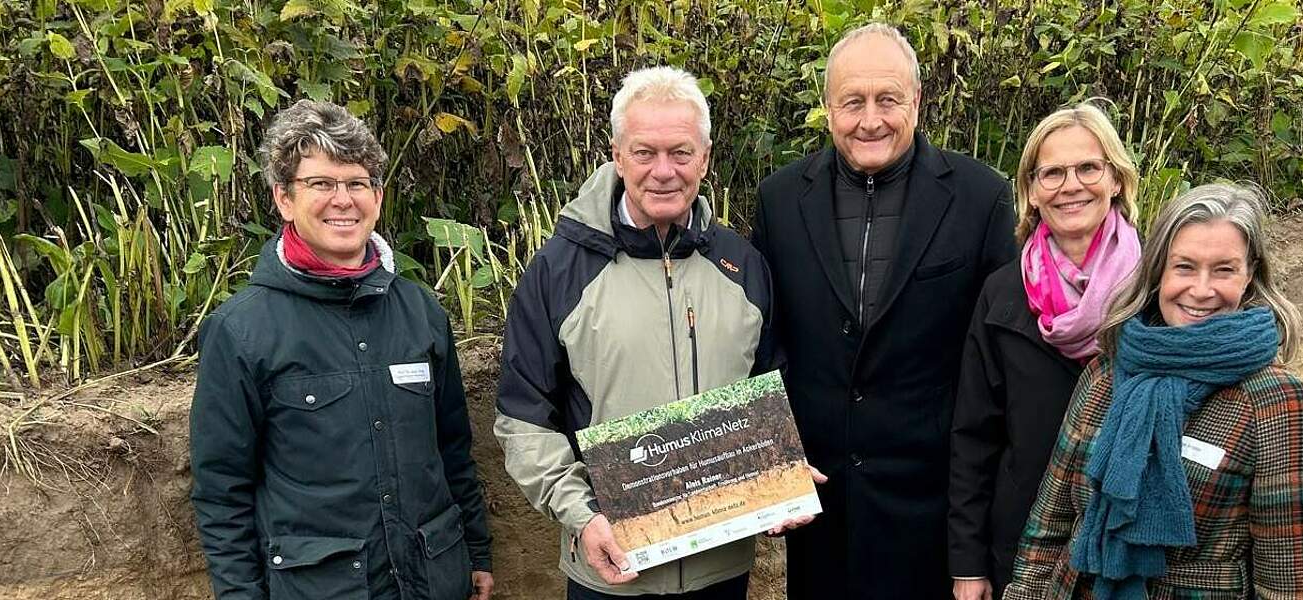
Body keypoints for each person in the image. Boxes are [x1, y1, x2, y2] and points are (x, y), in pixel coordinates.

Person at [492, 66, 813, 600]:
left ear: (704, 158)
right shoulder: (559, 272)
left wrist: (776, 476)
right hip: (612, 567)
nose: (663, 171)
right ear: (617, 155)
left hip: (721, 570)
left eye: (681, 153)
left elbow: (768, 394)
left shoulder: (744, 266)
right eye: (645, 153)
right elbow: (523, 419)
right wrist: (583, 516)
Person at [752, 23, 1017, 599]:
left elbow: (996, 362)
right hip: (819, 506)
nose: (870, 119)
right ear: (828, 108)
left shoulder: (980, 198)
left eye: (888, 99)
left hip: (931, 509)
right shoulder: (778, 200)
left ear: (917, 101)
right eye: (853, 102)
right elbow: (766, 344)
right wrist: (774, 459)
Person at [190, 100, 494, 600]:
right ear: (283, 199)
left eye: (356, 183)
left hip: (432, 580)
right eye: (321, 184)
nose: (342, 200)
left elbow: (453, 451)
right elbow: (222, 491)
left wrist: (476, 555)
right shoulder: (241, 331)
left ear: (377, 196)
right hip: (322, 588)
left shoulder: (420, 311)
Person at [1004, 184, 1303, 599]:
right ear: (1158, 271)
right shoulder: (1107, 372)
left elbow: (1284, 587)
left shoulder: (1283, 407)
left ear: (1250, 275)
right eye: (1184, 267)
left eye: (1224, 269)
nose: (1201, 289)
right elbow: (1050, 524)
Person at [948, 102, 1143, 600]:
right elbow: (974, 434)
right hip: (1023, 542)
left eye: (1088, 168)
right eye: (1052, 172)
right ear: (1032, 191)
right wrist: (968, 563)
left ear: (1116, 179)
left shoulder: (1154, 290)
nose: (1071, 185)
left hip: (1132, 539)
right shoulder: (1002, 292)